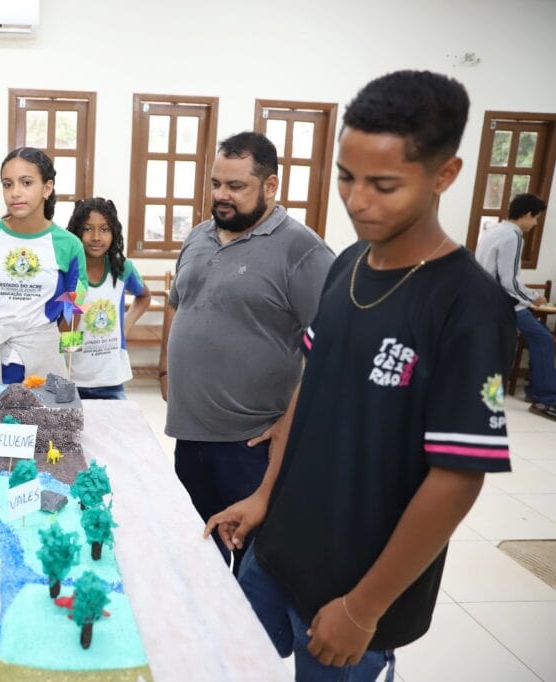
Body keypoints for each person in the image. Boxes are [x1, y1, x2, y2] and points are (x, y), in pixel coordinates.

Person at [207, 70, 516, 681]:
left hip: (353, 589)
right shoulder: (348, 263)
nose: (358, 201)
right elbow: (310, 386)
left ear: (444, 175)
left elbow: (457, 478)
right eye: (347, 177)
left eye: (384, 184)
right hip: (279, 553)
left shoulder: (466, 305)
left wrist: (364, 607)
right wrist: (266, 495)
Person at [158, 131, 334, 569]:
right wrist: (166, 369)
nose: (221, 196)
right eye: (216, 183)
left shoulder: (302, 250)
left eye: (236, 187)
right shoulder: (198, 236)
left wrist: (289, 427)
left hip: (253, 444)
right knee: (199, 557)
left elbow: (332, 350)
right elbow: (179, 304)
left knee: (253, 566)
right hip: (190, 434)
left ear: (270, 186)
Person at [0, 147, 87, 384]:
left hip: (44, 357)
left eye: (26, 182)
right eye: (7, 184)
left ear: (47, 188)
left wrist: (57, 349)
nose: (15, 193)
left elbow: (75, 307)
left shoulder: (69, 245)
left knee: (44, 420)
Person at [475, 193, 555, 419]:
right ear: (527, 214)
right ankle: (545, 399)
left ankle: (535, 393)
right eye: (536, 218)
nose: (536, 223)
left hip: (486, 300)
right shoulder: (513, 235)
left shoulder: (493, 230)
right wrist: (533, 297)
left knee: (503, 348)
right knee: (543, 339)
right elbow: (509, 280)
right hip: (504, 303)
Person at [67, 198, 151, 399]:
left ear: (114, 233)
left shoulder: (121, 268)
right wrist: (75, 301)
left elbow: (144, 296)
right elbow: (65, 330)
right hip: (72, 379)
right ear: (76, 232)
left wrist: (125, 327)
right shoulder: (69, 270)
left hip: (111, 380)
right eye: (87, 229)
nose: (96, 237)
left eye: (104, 229)